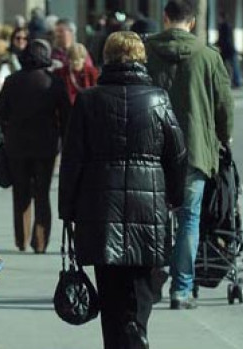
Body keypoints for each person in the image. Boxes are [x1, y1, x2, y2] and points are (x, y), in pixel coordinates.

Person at [59, 31, 187, 349]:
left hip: (100, 209)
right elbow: (178, 153)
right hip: (148, 209)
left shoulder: (89, 100)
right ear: (141, 58)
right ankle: (136, 334)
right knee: (141, 291)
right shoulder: (158, 98)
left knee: (111, 295)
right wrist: (174, 197)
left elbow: (72, 159)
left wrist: (67, 209)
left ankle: (122, 341)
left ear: (106, 58)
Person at [144, 0, 234, 310]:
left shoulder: (145, 52)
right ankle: (181, 290)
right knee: (189, 219)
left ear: (165, 18)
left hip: (152, 150)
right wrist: (224, 136)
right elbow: (224, 104)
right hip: (195, 150)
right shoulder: (208, 56)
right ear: (192, 23)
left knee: (153, 220)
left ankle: (151, 281)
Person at [0, 39, 71, 253]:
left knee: (20, 192)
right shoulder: (53, 82)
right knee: (42, 193)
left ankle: (22, 239)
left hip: (17, 145)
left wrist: (11, 125)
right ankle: (40, 241)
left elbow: (0, 111)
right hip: (46, 145)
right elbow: (66, 114)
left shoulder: (12, 81)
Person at [0, 27, 30, 102]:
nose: (21, 41)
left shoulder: (31, 58)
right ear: (12, 40)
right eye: (18, 38)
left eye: (25, 38)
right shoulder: (6, 59)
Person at [216, 12, 241, 88]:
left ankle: (236, 82)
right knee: (232, 66)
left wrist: (217, 44)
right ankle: (236, 82)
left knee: (231, 66)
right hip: (228, 49)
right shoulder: (227, 26)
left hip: (227, 50)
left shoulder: (223, 26)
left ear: (221, 18)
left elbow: (223, 39)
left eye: (219, 17)